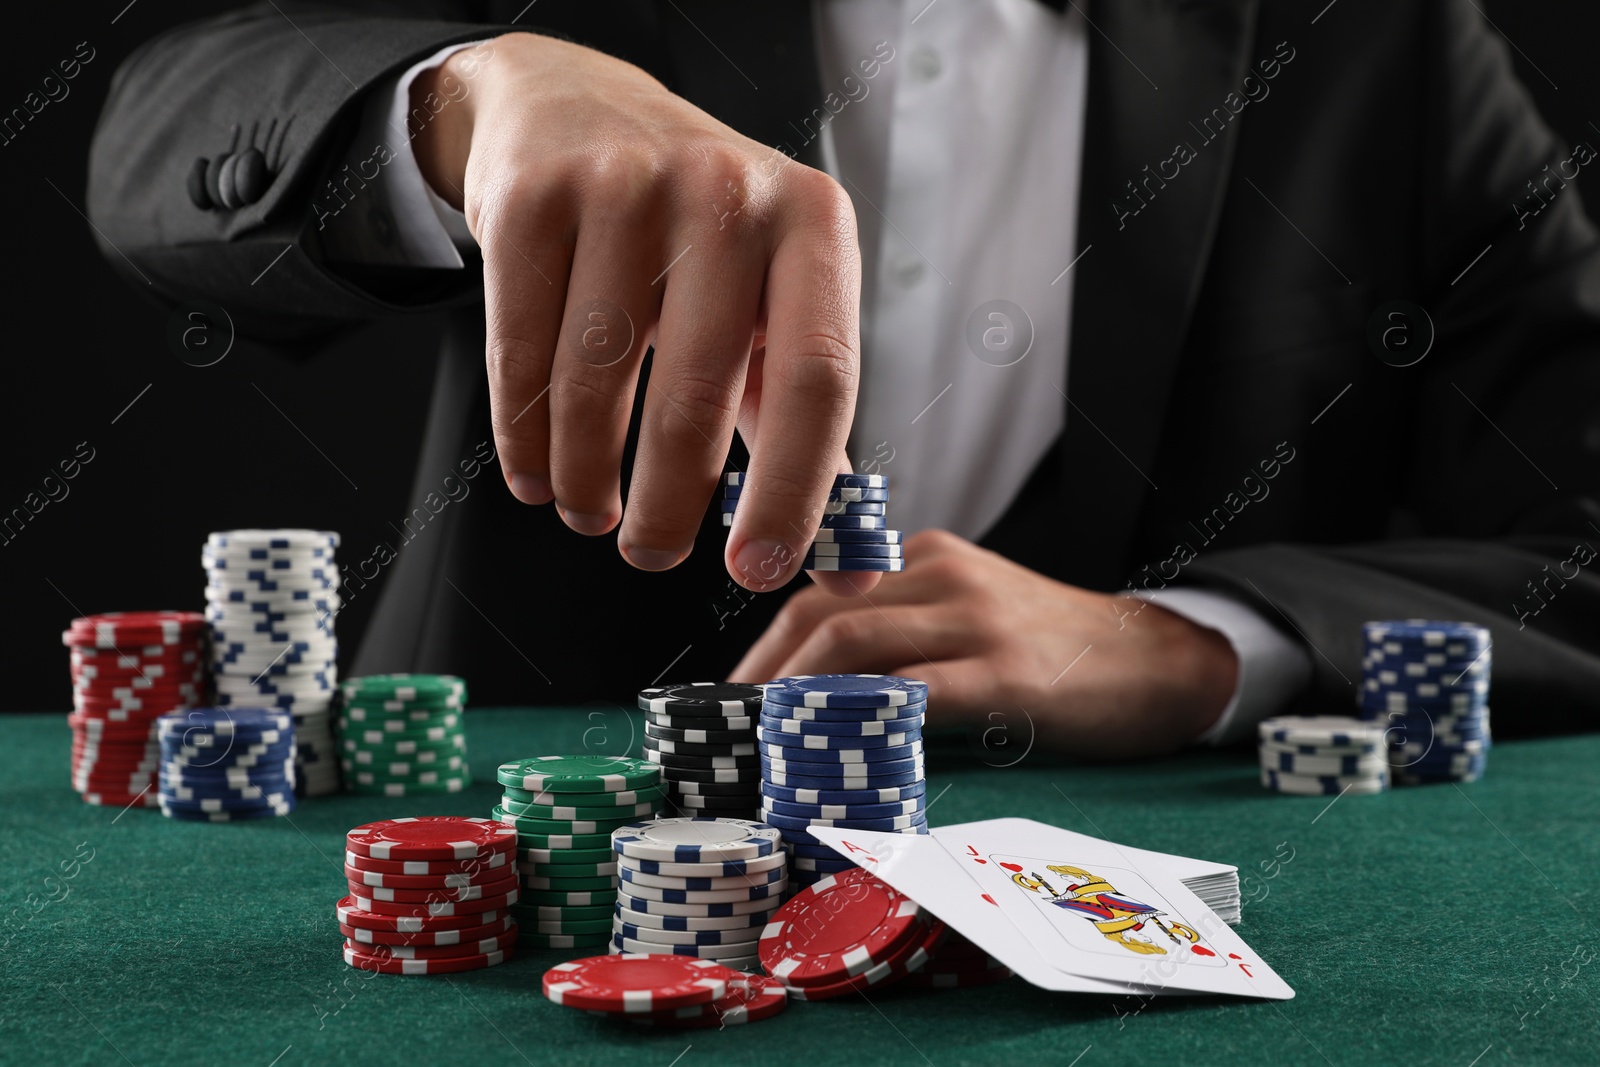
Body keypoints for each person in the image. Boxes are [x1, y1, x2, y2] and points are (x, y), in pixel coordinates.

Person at [88, 0, 1600, 758]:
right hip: (532, 878)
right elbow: (155, 143)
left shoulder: (1378, 41)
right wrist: (457, 100)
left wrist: (1199, 646)